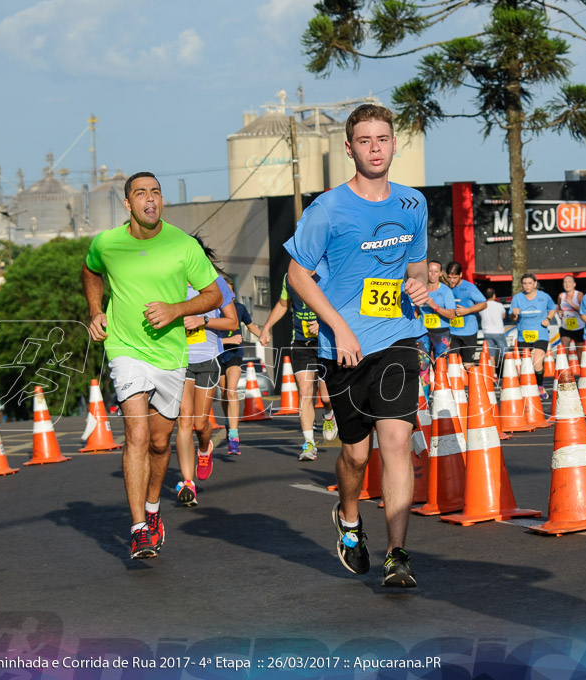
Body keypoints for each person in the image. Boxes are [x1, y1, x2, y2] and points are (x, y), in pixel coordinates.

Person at [284, 104, 429, 588]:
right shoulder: (328, 209)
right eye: (364, 140)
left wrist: (419, 287)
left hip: (398, 338)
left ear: (393, 144)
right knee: (356, 455)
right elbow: (297, 274)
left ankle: (398, 553)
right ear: (349, 148)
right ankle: (348, 518)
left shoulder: (413, 204)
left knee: (396, 442)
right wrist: (339, 327)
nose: (374, 148)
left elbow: (415, 267)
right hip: (343, 348)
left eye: (382, 139)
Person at [82, 171, 222, 560]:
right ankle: (139, 528)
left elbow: (213, 294)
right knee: (138, 437)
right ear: (128, 204)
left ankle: (153, 509)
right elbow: (91, 270)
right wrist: (95, 310)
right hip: (125, 349)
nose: (150, 199)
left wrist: (177, 309)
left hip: (170, 355)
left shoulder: (182, 244)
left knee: (161, 443)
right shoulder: (107, 243)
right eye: (141, 193)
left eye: (156, 193)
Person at [173, 240, 237, 507]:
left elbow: (232, 323)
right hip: (180, 360)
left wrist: (204, 320)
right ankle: (187, 483)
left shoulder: (215, 284)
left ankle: (204, 449)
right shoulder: (171, 283)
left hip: (208, 360)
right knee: (183, 422)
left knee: (201, 425)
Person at [259, 271, 338, 461]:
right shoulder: (290, 277)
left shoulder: (328, 272)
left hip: (325, 341)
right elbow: (282, 304)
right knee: (305, 392)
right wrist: (266, 327)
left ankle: (329, 413)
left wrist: (324, 324)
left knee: (326, 396)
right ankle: (309, 444)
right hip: (301, 343)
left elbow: (340, 305)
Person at [216, 277, 263, 456]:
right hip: (219, 355)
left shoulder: (240, 309)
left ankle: (234, 436)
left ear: (233, 293)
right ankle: (229, 423)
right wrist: (227, 340)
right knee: (224, 394)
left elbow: (251, 327)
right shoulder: (213, 311)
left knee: (231, 391)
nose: (225, 295)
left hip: (235, 355)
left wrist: (263, 335)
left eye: (228, 291)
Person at [510, 273, 557, 398]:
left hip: (540, 333)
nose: (527, 286)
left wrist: (548, 318)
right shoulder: (517, 298)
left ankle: (540, 386)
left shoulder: (544, 297)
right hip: (523, 335)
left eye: (530, 283)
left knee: (537, 363)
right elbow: (512, 317)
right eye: (524, 283)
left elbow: (553, 308)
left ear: (535, 284)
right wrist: (514, 315)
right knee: (526, 364)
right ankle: (527, 387)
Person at [417, 259, 456, 396]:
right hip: (423, 333)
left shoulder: (445, 291)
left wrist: (435, 307)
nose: (432, 274)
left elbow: (452, 315)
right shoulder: (420, 289)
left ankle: (442, 395)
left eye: (435, 271)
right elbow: (416, 311)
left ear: (440, 273)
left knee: (441, 366)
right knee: (423, 365)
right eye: (430, 271)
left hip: (441, 334)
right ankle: (425, 398)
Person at [445, 261, 487, 368]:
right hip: (451, 332)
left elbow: (484, 304)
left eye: (454, 278)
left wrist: (467, 311)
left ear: (460, 275)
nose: (451, 281)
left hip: (469, 331)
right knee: (452, 363)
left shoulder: (469, 287)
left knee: (468, 364)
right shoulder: (444, 287)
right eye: (449, 277)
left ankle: (473, 384)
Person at [479, 288, 507, 373]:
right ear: (494, 295)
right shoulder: (499, 305)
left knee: (491, 354)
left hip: (487, 332)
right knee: (504, 352)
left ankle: (493, 373)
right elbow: (503, 316)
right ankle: (506, 370)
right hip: (498, 332)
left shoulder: (482, 306)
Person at [557, 274, 586, 350]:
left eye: (569, 282)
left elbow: (583, 310)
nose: (567, 284)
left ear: (574, 284)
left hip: (579, 327)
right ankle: (565, 361)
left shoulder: (579, 294)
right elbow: (558, 306)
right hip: (565, 327)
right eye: (565, 282)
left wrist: (571, 304)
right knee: (564, 348)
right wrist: (559, 312)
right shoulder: (561, 295)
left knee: (580, 352)